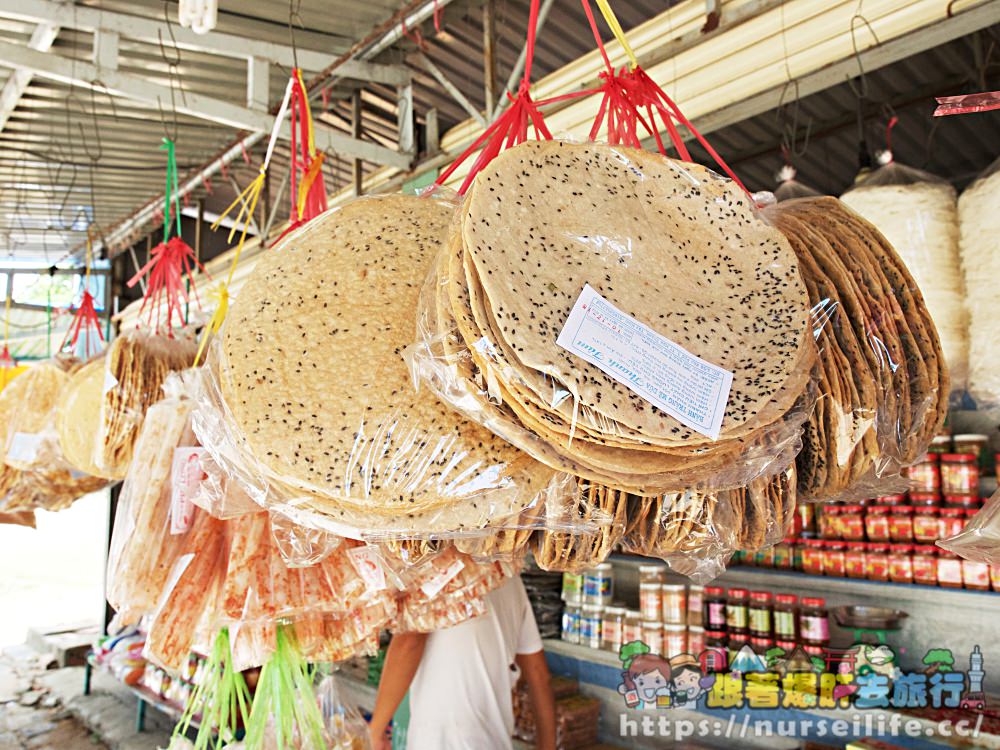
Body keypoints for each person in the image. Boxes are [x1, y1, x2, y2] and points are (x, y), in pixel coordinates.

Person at [369, 576, 557, 750]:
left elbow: (409, 642)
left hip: (444, 742)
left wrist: (375, 730)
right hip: (495, 740)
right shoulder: (511, 579)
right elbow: (538, 674)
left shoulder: (435, 570)